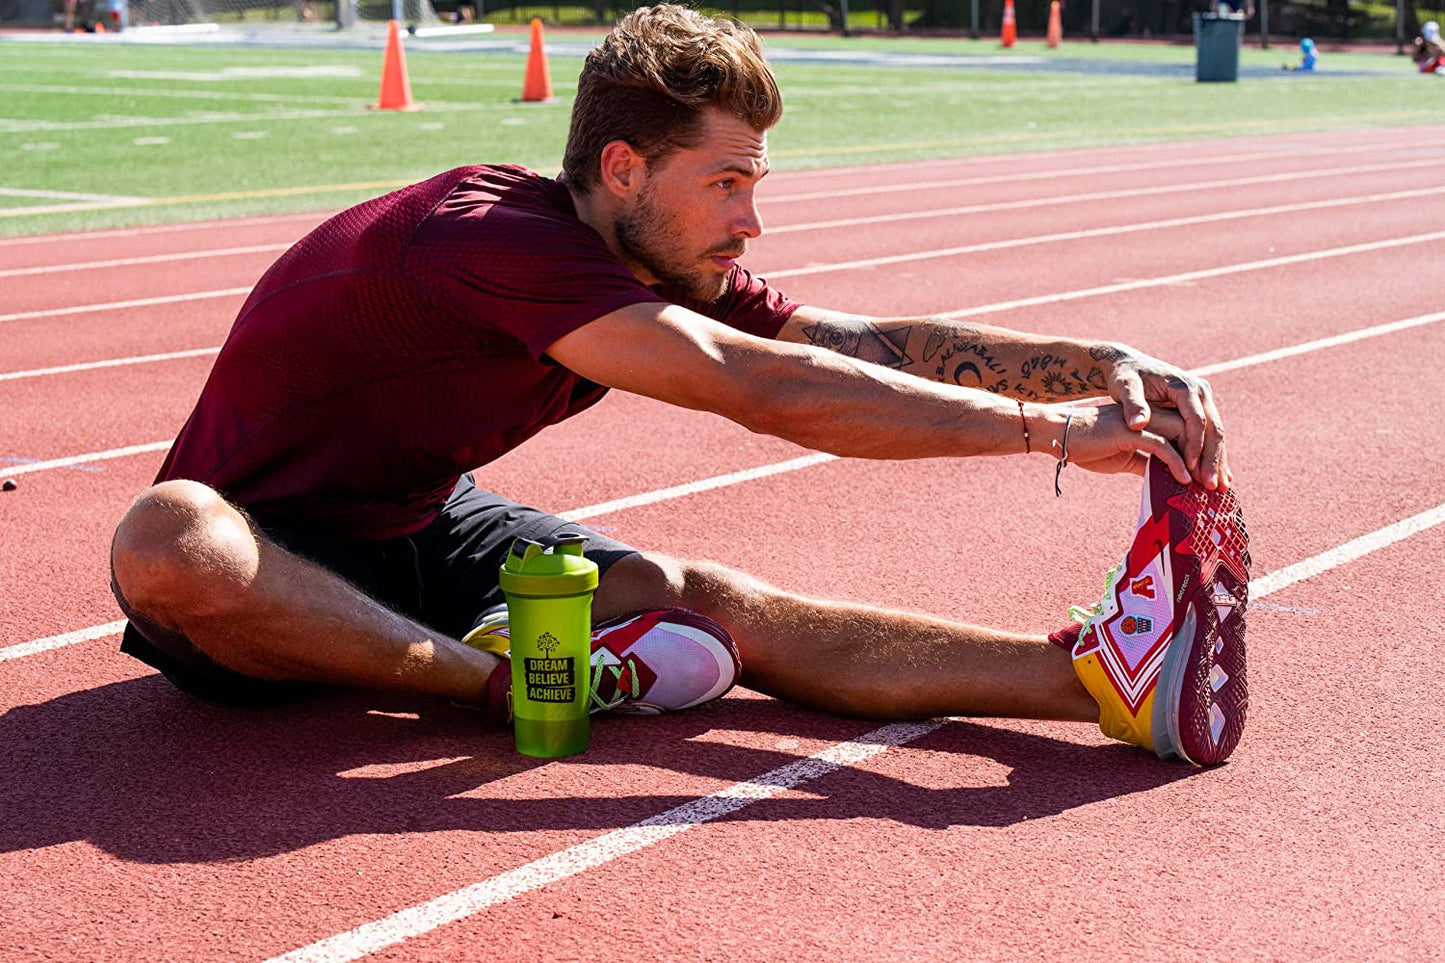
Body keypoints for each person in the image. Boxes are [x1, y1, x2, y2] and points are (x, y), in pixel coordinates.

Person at [108, 4, 1246, 766]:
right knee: (168, 536)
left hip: (416, 527)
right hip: (262, 564)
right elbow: (759, 388)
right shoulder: (492, 239)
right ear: (623, 168)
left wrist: (1098, 361)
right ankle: (505, 682)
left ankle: (1100, 682)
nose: (750, 220)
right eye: (727, 183)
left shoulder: (655, 252)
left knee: (689, 593)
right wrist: (1048, 432)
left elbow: (849, 345)